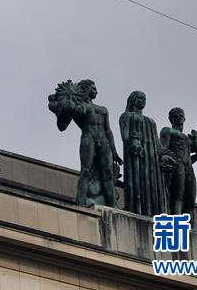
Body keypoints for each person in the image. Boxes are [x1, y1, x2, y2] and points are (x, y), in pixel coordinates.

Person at [49, 79, 123, 207]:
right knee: (85, 171)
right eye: (93, 88)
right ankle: (81, 201)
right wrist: (62, 107)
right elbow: (62, 125)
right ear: (85, 89)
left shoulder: (103, 109)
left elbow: (108, 131)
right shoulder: (79, 106)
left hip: (104, 142)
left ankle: (112, 203)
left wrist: (114, 151)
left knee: (108, 174)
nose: (96, 91)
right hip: (88, 138)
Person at [159, 107, 197, 215]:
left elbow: (188, 159)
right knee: (177, 197)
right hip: (176, 166)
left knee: (190, 200)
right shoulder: (167, 131)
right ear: (170, 119)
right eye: (175, 116)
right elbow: (162, 150)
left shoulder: (187, 139)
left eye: (180, 116)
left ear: (184, 119)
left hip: (188, 168)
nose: (178, 118)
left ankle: (188, 227)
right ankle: (176, 223)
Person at [119, 91, 165, 216]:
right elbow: (125, 136)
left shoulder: (151, 122)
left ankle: (153, 212)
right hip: (136, 156)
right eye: (140, 98)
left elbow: (157, 143)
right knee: (138, 183)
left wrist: (164, 154)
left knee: (153, 185)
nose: (143, 100)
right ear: (133, 100)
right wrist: (132, 142)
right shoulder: (126, 116)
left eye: (144, 98)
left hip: (152, 159)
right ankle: (137, 210)